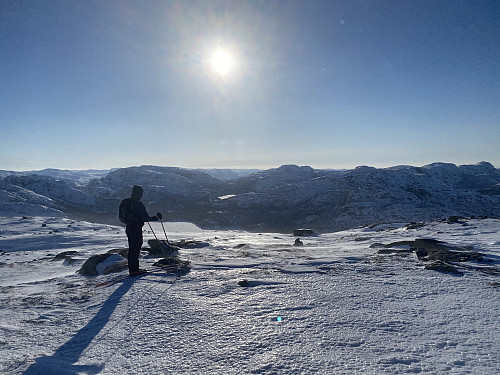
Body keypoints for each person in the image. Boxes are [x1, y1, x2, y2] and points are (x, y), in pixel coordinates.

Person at [120, 185, 162, 276]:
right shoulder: (138, 204)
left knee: (132, 248)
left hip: (129, 227)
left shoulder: (125, 202)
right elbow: (145, 218)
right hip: (136, 228)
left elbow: (121, 217)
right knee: (136, 248)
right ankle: (135, 270)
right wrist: (156, 218)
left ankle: (133, 269)